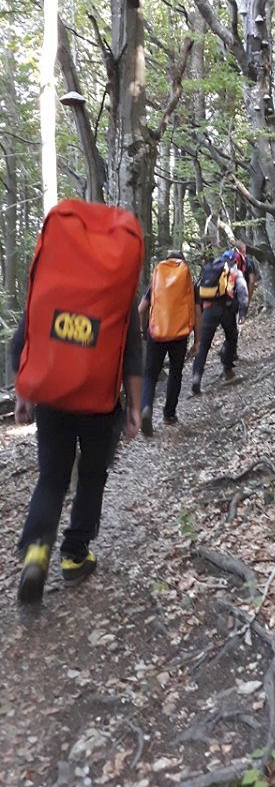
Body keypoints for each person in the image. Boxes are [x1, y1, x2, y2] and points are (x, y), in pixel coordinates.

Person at [12, 302, 142, 605]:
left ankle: (37, 549)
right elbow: (132, 356)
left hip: (52, 397)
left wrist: (24, 393)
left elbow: (23, 340)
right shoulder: (119, 281)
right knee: (92, 476)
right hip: (100, 402)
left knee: (52, 478)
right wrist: (135, 406)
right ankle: (74, 555)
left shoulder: (53, 275)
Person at [138, 251, 199, 436]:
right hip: (179, 335)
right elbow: (197, 312)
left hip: (156, 333)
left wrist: (144, 330)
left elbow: (141, 308)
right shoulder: (188, 283)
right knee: (175, 372)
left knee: (149, 375)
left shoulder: (157, 279)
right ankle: (169, 414)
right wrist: (197, 340)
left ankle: (146, 407)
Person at [192, 248, 249, 394]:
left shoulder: (209, 270)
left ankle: (196, 378)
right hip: (227, 310)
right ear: (233, 261)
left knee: (203, 345)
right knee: (231, 337)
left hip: (209, 309)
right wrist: (242, 312)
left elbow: (198, 291)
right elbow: (243, 293)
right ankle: (227, 369)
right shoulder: (235, 273)